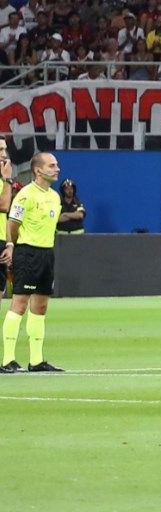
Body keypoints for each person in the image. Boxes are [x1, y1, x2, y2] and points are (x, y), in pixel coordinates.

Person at [1, 153, 65, 372]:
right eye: (52, 165)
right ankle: (7, 359)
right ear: (38, 171)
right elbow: (13, 223)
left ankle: (36, 361)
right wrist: (17, 247)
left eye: (56, 165)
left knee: (41, 306)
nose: (57, 168)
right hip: (27, 253)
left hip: (47, 254)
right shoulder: (26, 195)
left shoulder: (55, 197)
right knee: (19, 304)